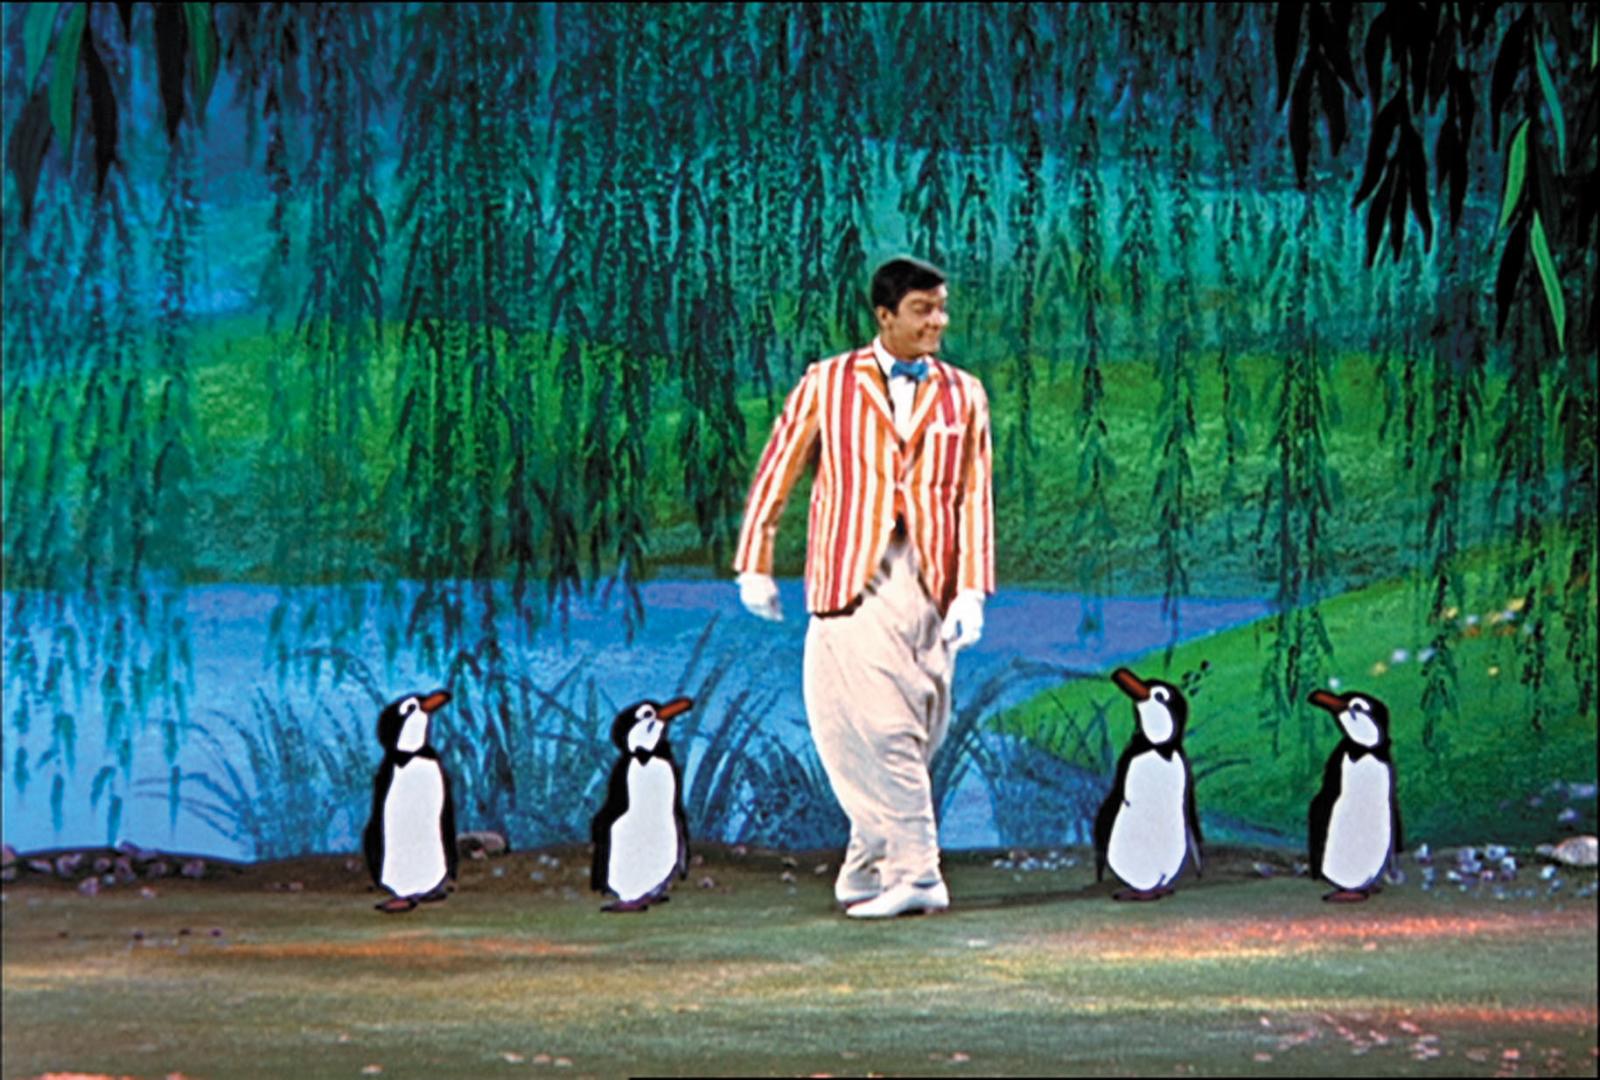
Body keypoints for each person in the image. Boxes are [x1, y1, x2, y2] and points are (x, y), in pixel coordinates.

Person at [733, 256, 995, 918]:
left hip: (930, 582)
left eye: (941, 308)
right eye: (922, 310)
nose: (938, 321)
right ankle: (918, 874)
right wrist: (755, 563)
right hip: (852, 577)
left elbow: (975, 497)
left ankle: (869, 859)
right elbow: (777, 472)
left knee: (921, 724)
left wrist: (972, 592)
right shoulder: (827, 382)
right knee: (874, 726)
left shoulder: (964, 393)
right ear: (884, 315)